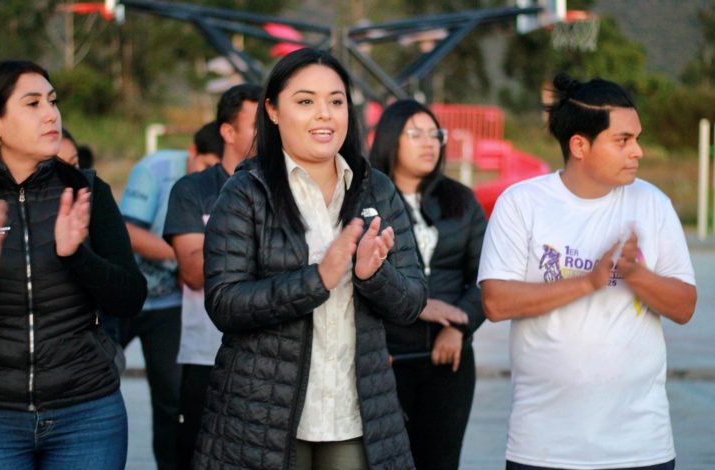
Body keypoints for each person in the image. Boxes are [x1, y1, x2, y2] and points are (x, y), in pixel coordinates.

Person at [193, 48, 427, 470]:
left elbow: (411, 302)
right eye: (305, 101)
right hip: (263, 420)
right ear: (273, 111)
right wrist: (318, 278)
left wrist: (373, 276)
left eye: (336, 101)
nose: (325, 115)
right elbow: (225, 302)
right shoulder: (246, 192)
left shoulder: (377, 191)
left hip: (356, 416)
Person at [478, 72, 697, 470]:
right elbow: (495, 301)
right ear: (579, 145)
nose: (638, 152)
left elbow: (684, 307)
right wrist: (589, 281)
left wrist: (638, 275)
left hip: (641, 447)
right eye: (623, 140)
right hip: (542, 447)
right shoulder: (522, 203)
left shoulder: (653, 204)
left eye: (637, 138)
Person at [0, 60, 146, 469]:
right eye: (32, 104)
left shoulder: (86, 190)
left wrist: (77, 257)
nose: (51, 114)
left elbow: (130, 298)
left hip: (87, 411)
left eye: (52, 101)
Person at [369, 99, 487, 470]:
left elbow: (486, 276)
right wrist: (418, 307)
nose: (429, 143)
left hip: (449, 361)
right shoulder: (365, 200)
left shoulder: (461, 200)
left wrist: (458, 326)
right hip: (385, 361)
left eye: (435, 134)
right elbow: (356, 280)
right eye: (415, 134)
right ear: (390, 140)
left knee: (441, 461)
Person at [163, 84, 260, 470]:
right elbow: (193, 272)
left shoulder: (292, 188)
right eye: (256, 125)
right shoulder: (194, 190)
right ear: (228, 132)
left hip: (277, 361)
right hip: (207, 358)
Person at [120, 145, 189, 469]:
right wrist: (180, 259)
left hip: (167, 304)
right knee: (95, 384)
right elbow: (128, 230)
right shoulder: (157, 169)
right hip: (123, 298)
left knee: (171, 399)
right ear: (194, 152)